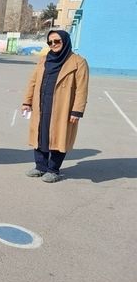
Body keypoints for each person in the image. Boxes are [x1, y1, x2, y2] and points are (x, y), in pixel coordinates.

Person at [21, 30, 89, 183]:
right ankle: (40, 166)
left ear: (65, 41)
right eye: (50, 42)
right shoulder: (44, 59)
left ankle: (53, 169)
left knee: (58, 137)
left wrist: (77, 111)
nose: (53, 45)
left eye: (57, 41)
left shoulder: (78, 62)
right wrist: (27, 102)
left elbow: (82, 89)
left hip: (62, 107)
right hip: (41, 104)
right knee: (40, 135)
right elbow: (33, 82)